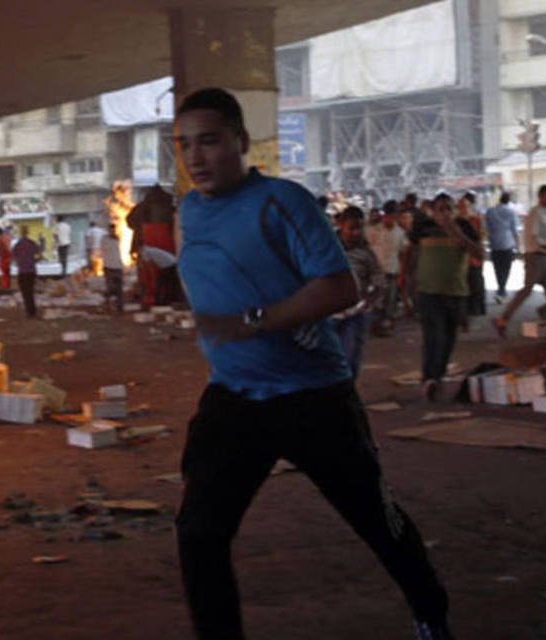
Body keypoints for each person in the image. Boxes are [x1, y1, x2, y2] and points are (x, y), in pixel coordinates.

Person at [173, 87, 452, 640]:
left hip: (312, 396)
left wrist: (254, 320)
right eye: (184, 145)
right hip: (234, 396)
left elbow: (340, 287)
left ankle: (430, 613)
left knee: (375, 519)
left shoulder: (283, 201)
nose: (196, 156)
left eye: (209, 140)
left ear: (241, 142)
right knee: (199, 532)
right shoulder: (189, 210)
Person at [407, 193, 482, 400]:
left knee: (449, 338)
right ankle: (429, 377)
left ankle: (436, 376)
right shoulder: (423, 227)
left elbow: (479, 254)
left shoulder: (464, 226)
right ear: (432, 210)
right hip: (428, 291)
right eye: (440, 208)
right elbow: (412, 254)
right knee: (433, 336)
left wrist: (456, 232)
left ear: (454, 209)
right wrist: (408, 283)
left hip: (455, 292)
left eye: (448, 208)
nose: (444, 212)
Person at [493, 184, 546, 337]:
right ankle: (503, 319)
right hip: (537, 257)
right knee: (527, 290)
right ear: (542, 196)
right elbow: (534, 237)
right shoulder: (536, 213)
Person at [332, 206, 382, 378]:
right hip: (326, 313)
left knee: (350, 359)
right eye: (352, 227)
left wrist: (366, 301)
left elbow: (378, 282)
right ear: (341, 224)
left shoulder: (366, 254)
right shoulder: (326, 248)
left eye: (359, 228)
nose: (356, 233)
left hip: (355, 314)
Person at [366, 199, 406, 334]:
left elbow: (403, 252)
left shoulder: (400, 233)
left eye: (394, 216)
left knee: (389, 300)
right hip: (376, 272)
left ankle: (384, 325)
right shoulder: (372, 231)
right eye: (389, 215)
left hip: (392, 271)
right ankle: (376, 325)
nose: (391, 219)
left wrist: (402, 273)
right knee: (376, 300)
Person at [484, 192, 519, 302]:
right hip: (507, 244)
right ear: (508, 201)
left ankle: (501, 288)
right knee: (506, 268)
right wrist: (517, 246)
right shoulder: (511, 212)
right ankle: (502, 289)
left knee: (497, 268)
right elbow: (514, 230)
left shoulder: (490, 211)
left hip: (494, 244)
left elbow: (486, 227)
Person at [11, 225, 41, 318]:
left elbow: (13, 257)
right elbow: (39, 255)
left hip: (22, 271)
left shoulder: (17, 245)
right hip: (31, 270)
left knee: (25, 292)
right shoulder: (32, 243)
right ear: (28, 232)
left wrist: (20, 262)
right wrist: (33, 261)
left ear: (21, 232)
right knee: (31, 291)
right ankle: (32, 311)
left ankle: (29, 311)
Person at [101, 223, 123, 313]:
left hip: (117, 266)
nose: (112, 231)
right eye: (111, 229)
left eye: (113, 229)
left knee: (119, 288)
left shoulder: (117, 238)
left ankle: (119, 307)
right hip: (109, 265)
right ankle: (107, 305)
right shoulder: (105, 239)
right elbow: (104, 248)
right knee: (110, 287)